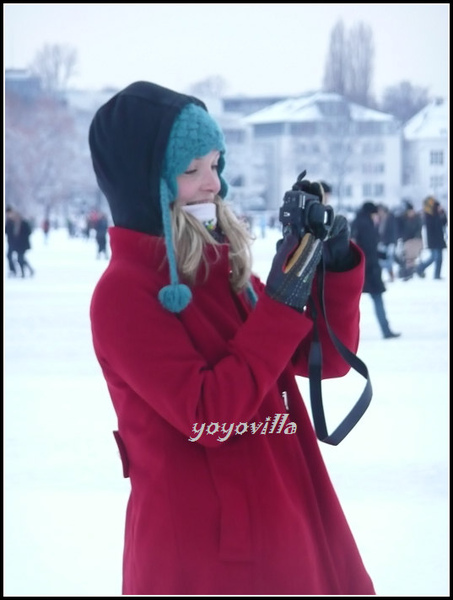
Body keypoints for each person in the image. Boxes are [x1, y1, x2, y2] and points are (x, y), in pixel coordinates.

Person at [88, 81, 375, 596]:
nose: (212, 184)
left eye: (215, 165)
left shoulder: (225, 268)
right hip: (206, 551)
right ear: (142, 182)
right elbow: (209, 416)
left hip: (283, 517)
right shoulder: (124, 293)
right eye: (191, 170)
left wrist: (328, 268)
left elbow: (320, 362)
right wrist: (282, 306)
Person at [351, 201, 400, 339]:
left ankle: (344, 333)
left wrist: (381, 255)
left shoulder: (357, 222)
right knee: (378, 298)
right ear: (371, 213)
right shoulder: (366, 225)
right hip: (369, 269)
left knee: (352, 303)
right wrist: (374, 266)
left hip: (359, 267)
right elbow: (369, 249)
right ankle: (386, 330)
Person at [416, 195, 447, 280]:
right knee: (437, 258)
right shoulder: (428, 214)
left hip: (438, 238)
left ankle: (421, 268)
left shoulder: (437, 212)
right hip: (434, 238)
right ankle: (432, 273)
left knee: (435, 257)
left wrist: (442, 214)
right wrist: (439, 215)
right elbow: (434, 225)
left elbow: (444, 222)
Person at [5, 206, 35, 278]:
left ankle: (23, 272)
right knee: (20, 258)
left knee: (20, 258)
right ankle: (27, 270)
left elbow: (28, 232)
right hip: (16, 244)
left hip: (22, 244)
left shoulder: (23, 223)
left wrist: (22, 238)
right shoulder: (12, 223)